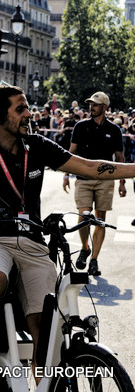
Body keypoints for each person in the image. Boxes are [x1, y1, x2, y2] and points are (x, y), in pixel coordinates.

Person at [0, 84, 135, 373]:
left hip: (32, 241)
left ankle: (43, 384)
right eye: (21, 109)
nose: (30, 114)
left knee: (45, 324)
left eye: (28, 107)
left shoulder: (37, 146)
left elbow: (90, 167)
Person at [61, 91, 126, 276]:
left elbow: (120, 158)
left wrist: (122, 182)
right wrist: (66, 175)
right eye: (90, 104)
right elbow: (70, 153)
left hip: (106, 180)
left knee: (100, 220)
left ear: (104, 107)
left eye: (95, 104)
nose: (91, 107)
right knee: (83, 216)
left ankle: (94, 260)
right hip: (83, 179)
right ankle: (85, 247)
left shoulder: (114, 130)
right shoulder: (80, 127)